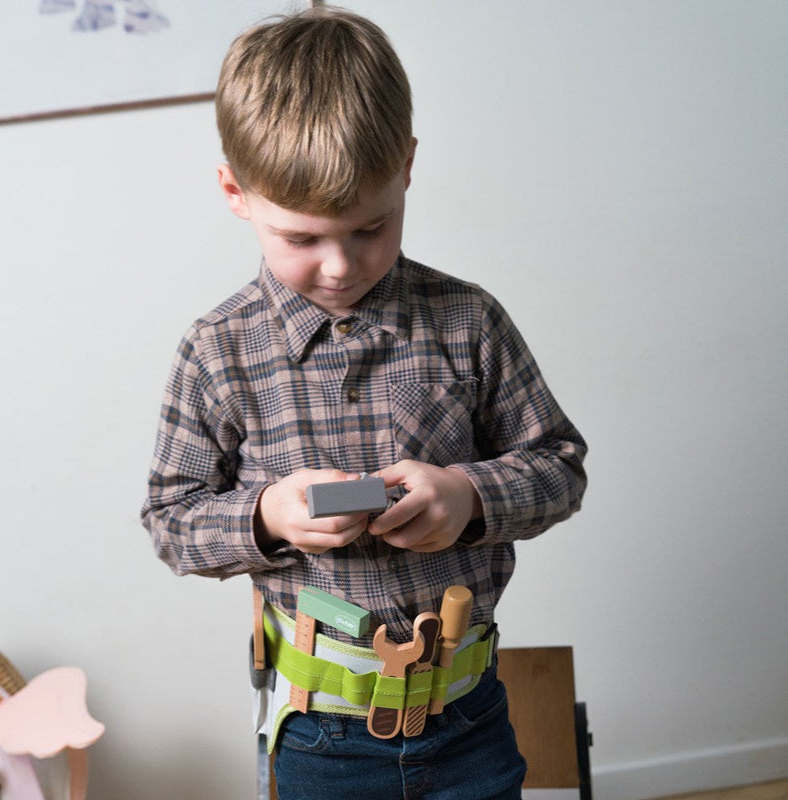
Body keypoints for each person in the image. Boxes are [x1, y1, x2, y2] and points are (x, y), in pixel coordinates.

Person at [141, 7, 587, 799]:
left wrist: (469, 495)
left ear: (407, 166)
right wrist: (269, 515)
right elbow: (171, 523)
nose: (341, 265)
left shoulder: (468, 320)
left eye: (370, 228)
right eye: (302, 239)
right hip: (322, 737)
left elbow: (560, 467)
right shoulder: (216, 351)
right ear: (235, 192)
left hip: (469, 718)